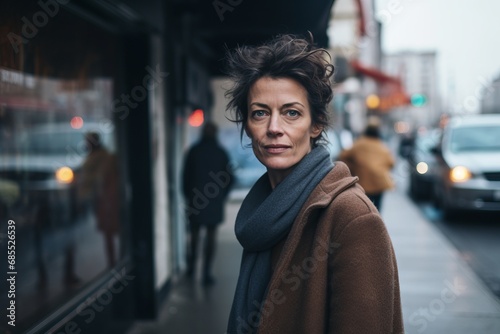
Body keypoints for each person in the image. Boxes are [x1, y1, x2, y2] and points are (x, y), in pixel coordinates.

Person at [224, 34, 403, 333]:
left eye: (291, 113)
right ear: (247, 125)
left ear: (316, 123)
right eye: (260, 113)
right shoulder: (262, 215)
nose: (274, 128)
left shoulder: (352, 217)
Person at [182, 121, 234, 286]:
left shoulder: (194, 151)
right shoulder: (221, 153)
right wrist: (221, 196)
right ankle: (206, 273)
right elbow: (230, 178)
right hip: (214, 202)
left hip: (196, 200)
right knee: (211, 237)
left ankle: (191, 268)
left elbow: (185, 177)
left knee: (194, 236)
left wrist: (188, 196)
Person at [77, 132, 120, 268]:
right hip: (97, 198)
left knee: (110, 231)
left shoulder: (105, 157)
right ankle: (111, 262)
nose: (86, 144)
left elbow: (104, 179)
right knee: (107, 232)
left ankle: (112, 262)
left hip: (105, 199)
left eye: (89, 141)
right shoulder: (96, 156)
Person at [339, 117, 395, 211]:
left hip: (363, 183)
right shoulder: (382, 146)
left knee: (363, 209)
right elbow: (391, 163)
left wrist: (352, 167)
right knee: (377, 209)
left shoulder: (359, 144)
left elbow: (343, 156)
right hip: (379, 182)